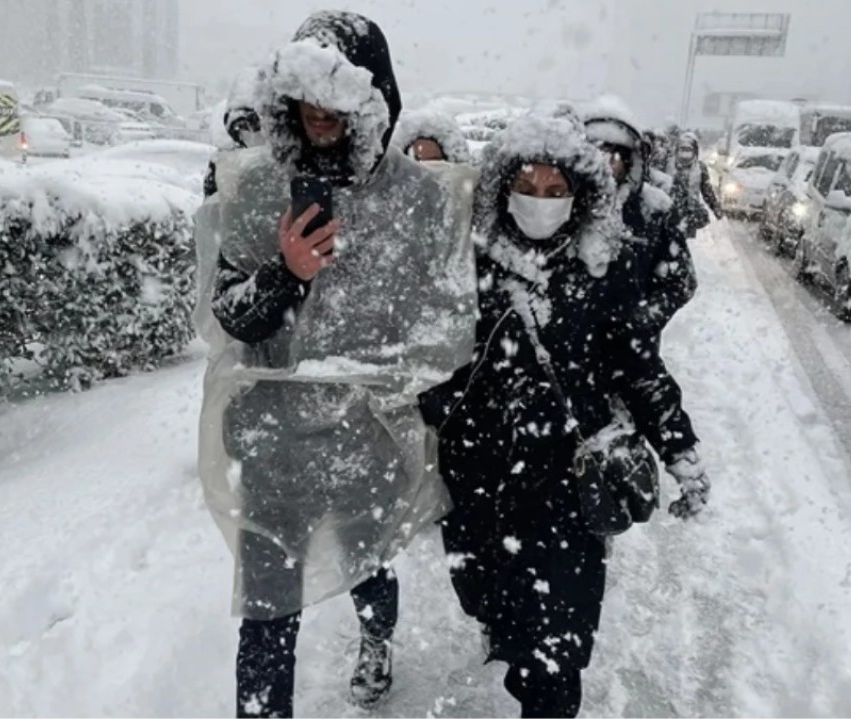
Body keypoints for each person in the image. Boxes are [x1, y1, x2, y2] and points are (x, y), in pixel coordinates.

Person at [195, 10, 477, 717]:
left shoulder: (412, 199)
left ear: (374, 99)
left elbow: (444, 322)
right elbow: (229, 314)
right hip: (273, 441)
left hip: (365, 435)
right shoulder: (259, 186)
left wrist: (391, 380)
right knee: (265, 613)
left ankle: (376, 640)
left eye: (339, 100)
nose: (321, 114)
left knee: (367, 563)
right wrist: (286, 274)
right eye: (307, 99)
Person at [421, 111, 710, 718]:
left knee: (558, 644)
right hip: (477, 478)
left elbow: (639, 365)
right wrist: (438, 413)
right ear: (503, 188)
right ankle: (513, 644)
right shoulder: (465, 263)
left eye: (556, 191)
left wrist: (679, 449)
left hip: (563, 487)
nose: (540, 201)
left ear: (580, 197)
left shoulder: (603, 270)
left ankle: (545, 690)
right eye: (527, 187)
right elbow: (426, 359)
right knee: (487, 602)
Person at [578, 98, 697, 334]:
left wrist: (641, 320)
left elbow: (681, 281)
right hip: (569, 347)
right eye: (595, 156)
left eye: (613, 158)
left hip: (631, 353)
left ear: (630, 160)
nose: (604, 167)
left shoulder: (655, 211)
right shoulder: (564, 204)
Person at [203, 69, 265, 197]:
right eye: (244, 128)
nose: (254, 135)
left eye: (261, 129)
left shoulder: (289, 160)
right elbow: (210, 206)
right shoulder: (224, 164)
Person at [669, 131, 721, 238]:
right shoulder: (669, 165)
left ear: (695, 152)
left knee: (685, 245)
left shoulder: (700, 168)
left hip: (689, 215)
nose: (684, 156)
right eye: (682, 151)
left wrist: (715, 208)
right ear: (677, 151)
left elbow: (707, 191)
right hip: (669, 213)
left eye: (688, 151)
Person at [389, 108, 473, 164]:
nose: (424, 169)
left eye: (434, 163)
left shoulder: (462, 188)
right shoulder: (396, 187)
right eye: (416, 160)